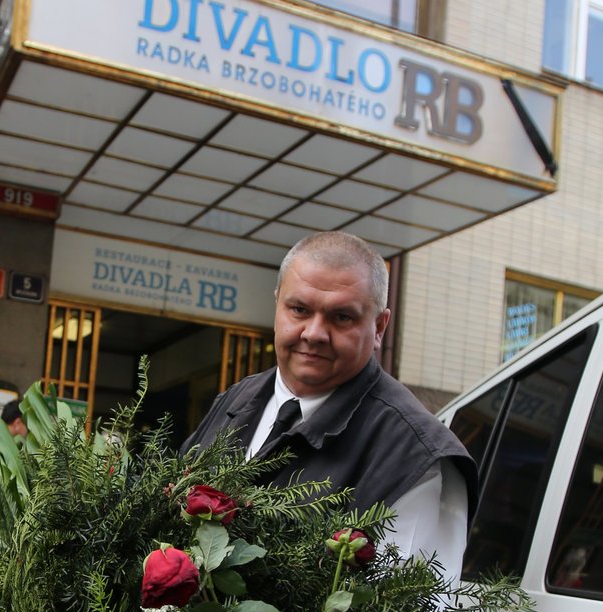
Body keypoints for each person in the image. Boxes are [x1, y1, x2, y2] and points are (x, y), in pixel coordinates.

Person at [181, 231, 475, 575]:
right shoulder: (236, 399)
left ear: (379, 327)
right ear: (277, 306)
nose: (314, 333)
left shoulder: (417, 458)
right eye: (299, 309)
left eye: (342, 317)